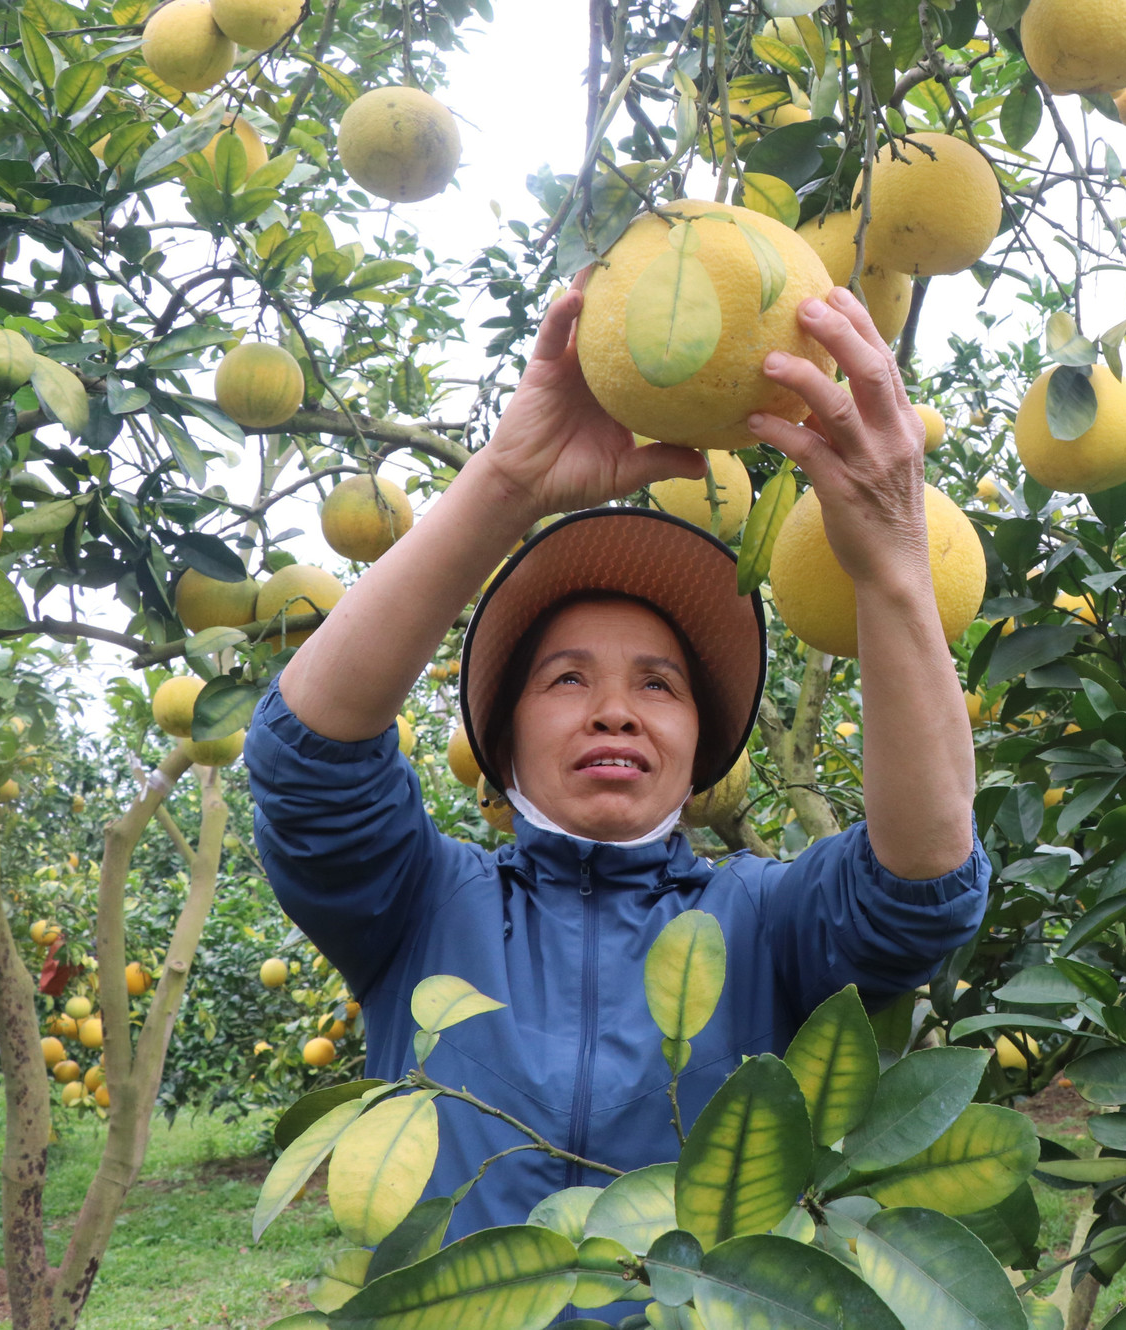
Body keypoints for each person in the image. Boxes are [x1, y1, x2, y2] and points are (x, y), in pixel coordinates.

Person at [243, 277, 989, 1322]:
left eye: (658, 683)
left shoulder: (763, 920)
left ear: (699, 749)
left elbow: (922, 884)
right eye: (565, 679)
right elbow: (305, 762)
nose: (613, 710)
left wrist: (895, 570)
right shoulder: (419, 906)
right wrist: (504, 482)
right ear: (498, 747)